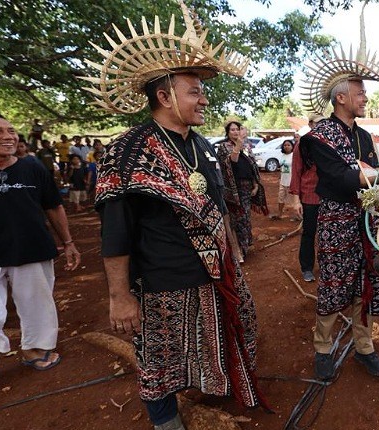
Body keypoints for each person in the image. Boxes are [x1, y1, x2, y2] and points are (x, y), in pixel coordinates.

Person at [83, 2, 266, 428]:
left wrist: (234, 251)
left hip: (217, 271)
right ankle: (165, 419)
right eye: (194, 91)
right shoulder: (127, 151)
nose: (204, 99)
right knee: (160, 360)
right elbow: (115, 233)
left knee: (231, 330)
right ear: (164, 97)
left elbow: (219, 206)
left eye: (202, 91)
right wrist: (119, 296)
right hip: (162, 281)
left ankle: (218, 384)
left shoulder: (203, 145)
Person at [0, 110, 80, 399]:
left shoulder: (33, 167)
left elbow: (53, 206)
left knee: (37, 304)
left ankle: (34, 348)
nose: (8, 136)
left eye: (11, 130)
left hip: (31, 247)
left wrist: (68, 242)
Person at [299, 28, 379, 380]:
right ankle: (323, 348)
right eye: (360, 93)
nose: (365, 98)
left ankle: (364, 347)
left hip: (367, 220)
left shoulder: (365, 136)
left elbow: (370, 177)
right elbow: (342, 179)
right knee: (333, 285)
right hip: (336, 220)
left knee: (365, 283)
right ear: (340, 97)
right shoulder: (319, 137)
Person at [217, 121, 268, 258]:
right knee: (236, 219)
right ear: (228, 132)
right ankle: (237, 250)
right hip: (233, 189)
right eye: (232, 129)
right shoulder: (224, 147)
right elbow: (231, 162)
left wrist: (255, 184)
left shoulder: (246, 146)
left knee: (245, 217)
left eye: (237, 129)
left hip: (247, 187)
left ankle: (244, 246)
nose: (235, 132)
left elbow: (252, 166)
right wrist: (238, 146)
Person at [290, 118, 323, 283]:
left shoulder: (331, 143)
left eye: (323, 122)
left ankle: (326, 266)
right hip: (309, 196)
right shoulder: (302, 144)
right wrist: (296, 200)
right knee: (309, 233)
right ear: (310, 124)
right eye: (316, 122)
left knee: (328, 234)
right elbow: (296, 172)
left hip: (330, 197)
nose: (320, 125)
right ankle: (307, 268)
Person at [270, 139, 298, 220]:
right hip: (282, 181)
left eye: (288, 145)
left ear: (292, 146)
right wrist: (280, 176)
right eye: (285, 145)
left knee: (293, 200)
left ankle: (297, 216)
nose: (286, 146)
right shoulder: (282, 155)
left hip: (291, 181)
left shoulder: (294, 155)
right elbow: (281, 167)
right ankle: (280, 214)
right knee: (280, 197)